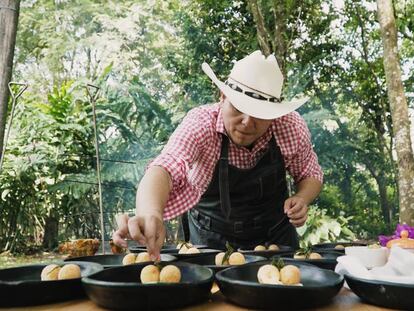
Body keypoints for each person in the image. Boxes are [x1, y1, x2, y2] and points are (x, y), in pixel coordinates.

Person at [113, 50, 323, 260]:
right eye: (239, 107)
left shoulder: (289, 126)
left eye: (260, 113)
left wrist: (302, 198)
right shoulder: (201, 123)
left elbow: (310, 173)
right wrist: (150, 212)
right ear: (223, 97)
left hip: (275, 239)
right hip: (210, 240)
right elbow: (165, 167)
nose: (247, 122)